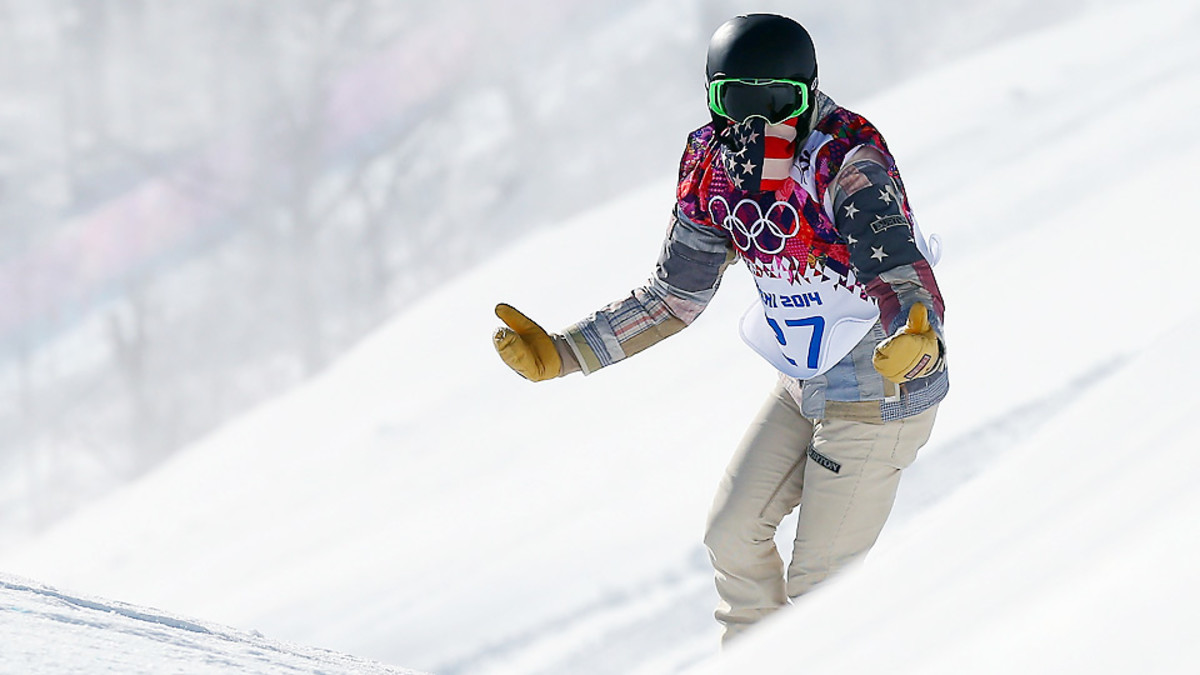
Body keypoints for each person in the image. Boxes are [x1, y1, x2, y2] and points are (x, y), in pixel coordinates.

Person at [491, 13, 948, 644]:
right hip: (803, 379)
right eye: (737, 102)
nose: (758, 125)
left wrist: (918, 335)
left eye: (780, 102)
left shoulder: (844, 159)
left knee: (822, 589)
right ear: (713, 99)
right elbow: (673, 296)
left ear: (811, 94)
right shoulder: (713, 166)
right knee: (732, 535)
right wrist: (566, 352)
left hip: (879, 387)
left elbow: (896, 263)